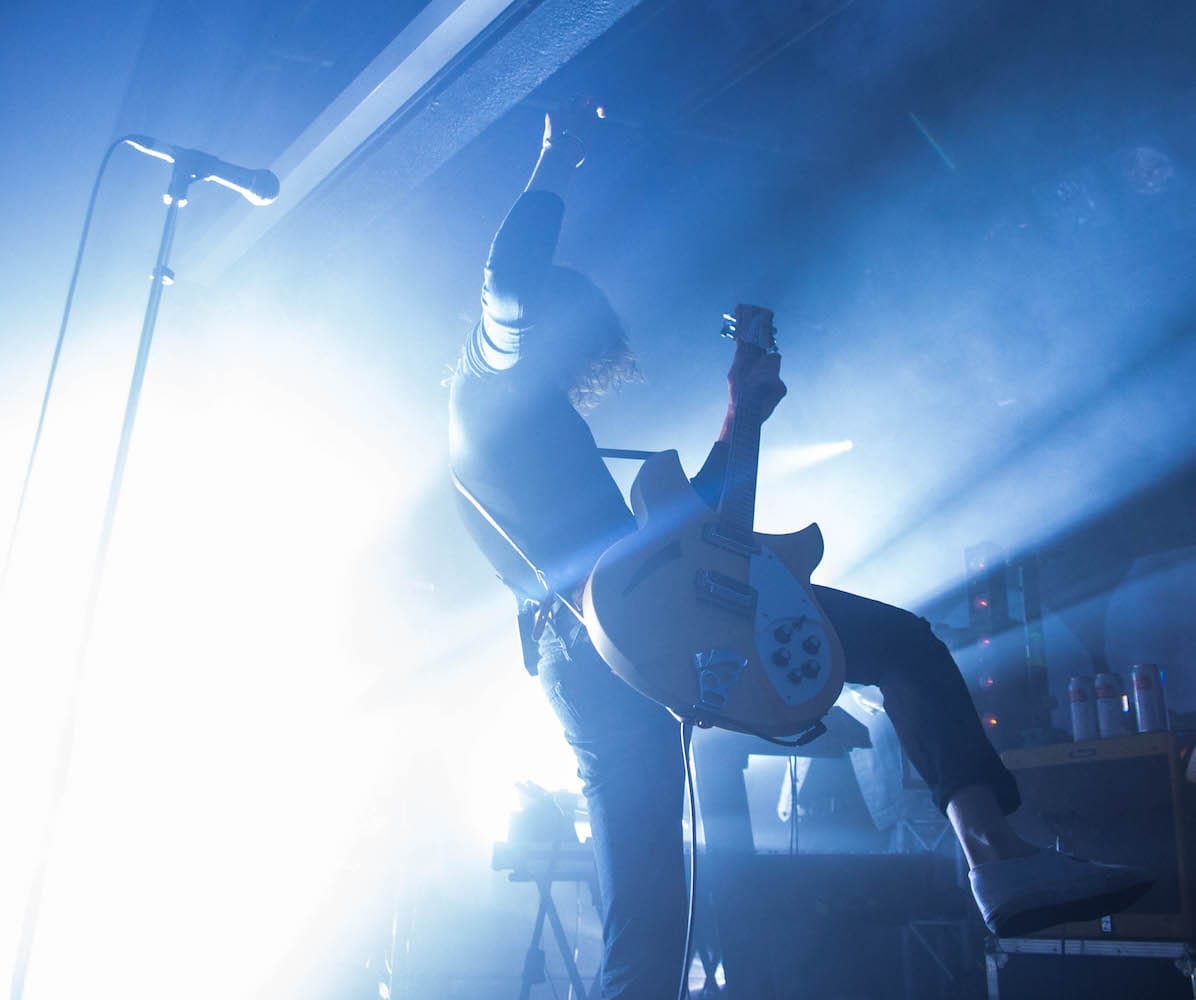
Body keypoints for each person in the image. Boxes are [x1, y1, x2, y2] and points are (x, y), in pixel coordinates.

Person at [446, 99, 1151, 1000]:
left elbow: (690, 542)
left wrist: (742, 415)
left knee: (652, 924)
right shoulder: (486, 382)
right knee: (899, 651)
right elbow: (507, 282)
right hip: (605, 638)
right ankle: (994, 855)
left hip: (634, 625)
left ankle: (995, 857)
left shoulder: (546, 428)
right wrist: (558, 158)